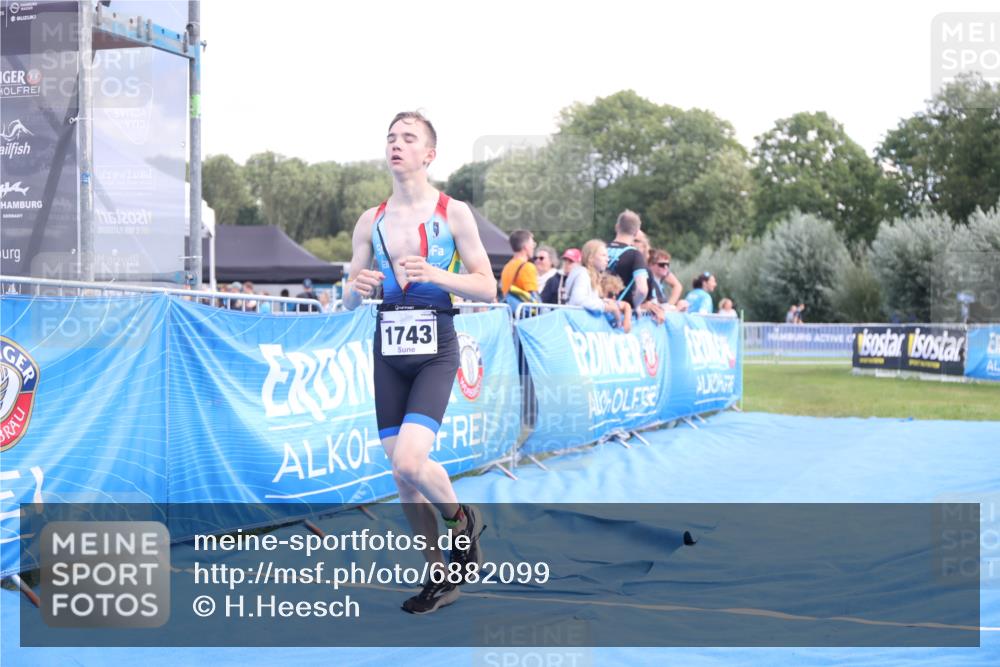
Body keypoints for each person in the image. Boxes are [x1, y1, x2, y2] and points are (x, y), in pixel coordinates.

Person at [342, 111, 495, 614]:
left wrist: (435, 274)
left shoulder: (454, 213)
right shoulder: (372, 220)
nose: (397, 144)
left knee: (410, 459)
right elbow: (347, 296)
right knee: (402, 477)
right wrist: (356, 288)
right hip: (388, 347)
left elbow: (488, 286)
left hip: (435, 345)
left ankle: (462, 520)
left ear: (429, 154)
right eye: (391, 137)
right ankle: (438, 576)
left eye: (409, 138)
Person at [566, 240, 630, 330]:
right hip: (574, 325)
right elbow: (578, 300)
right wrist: (605, 306)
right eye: (603, 255)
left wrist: (606, 302)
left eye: (607, 256)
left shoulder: (591, 275)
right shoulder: (583, 274)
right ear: (590, 258)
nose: (607, 259)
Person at [606, 209, 648, 309]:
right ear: (636, 232)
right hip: (621, 311)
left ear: (616, 227)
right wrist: (634, 305)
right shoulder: (635, 255)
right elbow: (642, 290)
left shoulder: (600, 249)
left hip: (598, 309)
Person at [500, 229, 539, 307]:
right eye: (532, 244)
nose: (533, 247)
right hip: (524, 315)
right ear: (526, 247)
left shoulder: (507, 266)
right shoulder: (528, 267)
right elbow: (534, 298)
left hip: (510, 312)